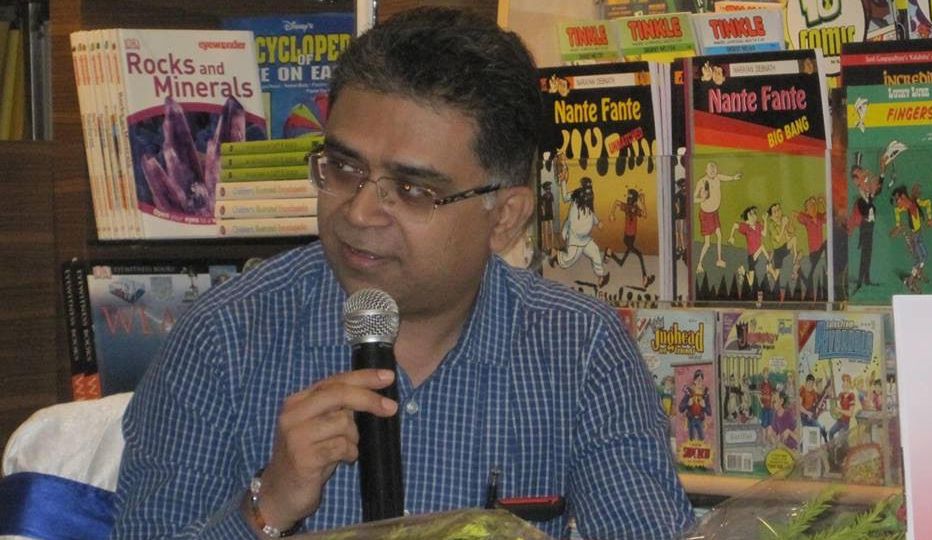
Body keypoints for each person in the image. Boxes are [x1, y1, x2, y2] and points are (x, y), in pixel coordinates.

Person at [111, 7, 694, 540]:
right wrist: (269, 505)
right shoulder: (222, 339)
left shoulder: (580, 348)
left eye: (412, 190)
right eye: (342, 168)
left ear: (506, 217)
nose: (359, 212)